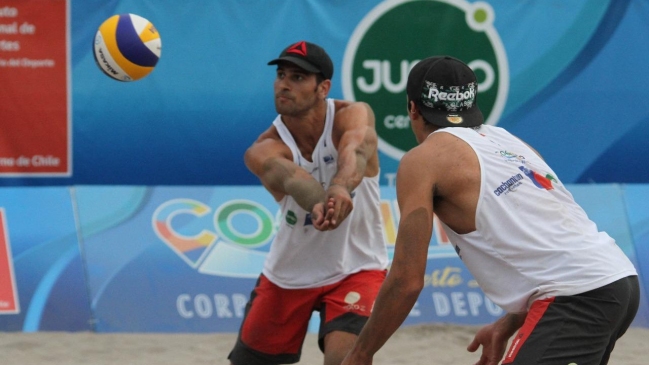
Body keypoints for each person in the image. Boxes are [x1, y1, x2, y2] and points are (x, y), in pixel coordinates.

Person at [341, 56, 639, 365]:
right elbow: (554, 241)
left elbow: (407, 280)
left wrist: (361, 353)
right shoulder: (509, 140)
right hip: (619, 279)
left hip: (576, 295)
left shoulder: (422, 160)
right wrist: (508, 322)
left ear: (413, 108)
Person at [228, 40, 389, 365]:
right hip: (290, 272)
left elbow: (355, 151)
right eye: (281, 74)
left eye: (298, 77)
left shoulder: (352, 115)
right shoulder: (263, 148)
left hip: (357, 267)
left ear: (323, 87)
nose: (284, 83)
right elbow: (289, 176)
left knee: (346, 360)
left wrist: (341, 187)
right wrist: (319, 203)